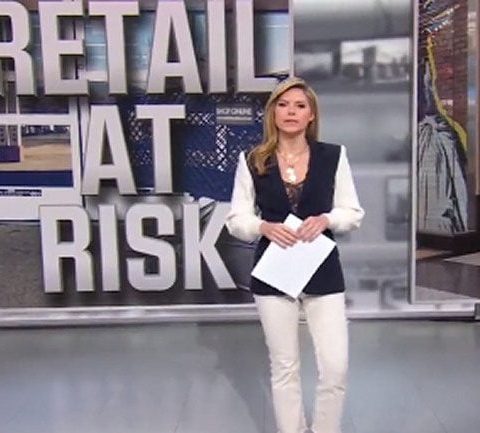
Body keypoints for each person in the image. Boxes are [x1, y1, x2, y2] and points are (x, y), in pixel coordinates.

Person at [226, 77, 364, 433]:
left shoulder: (333, 156)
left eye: (300, 106)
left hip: (322, 270)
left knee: (335, 366)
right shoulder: (253, 160)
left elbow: (352, 212)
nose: (291, 112)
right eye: (283, 105)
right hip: (274, 272)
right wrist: (262, 227)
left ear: (311, 115)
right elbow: (236, 219)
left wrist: (327, 219)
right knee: (284, 366)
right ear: (273, 113)